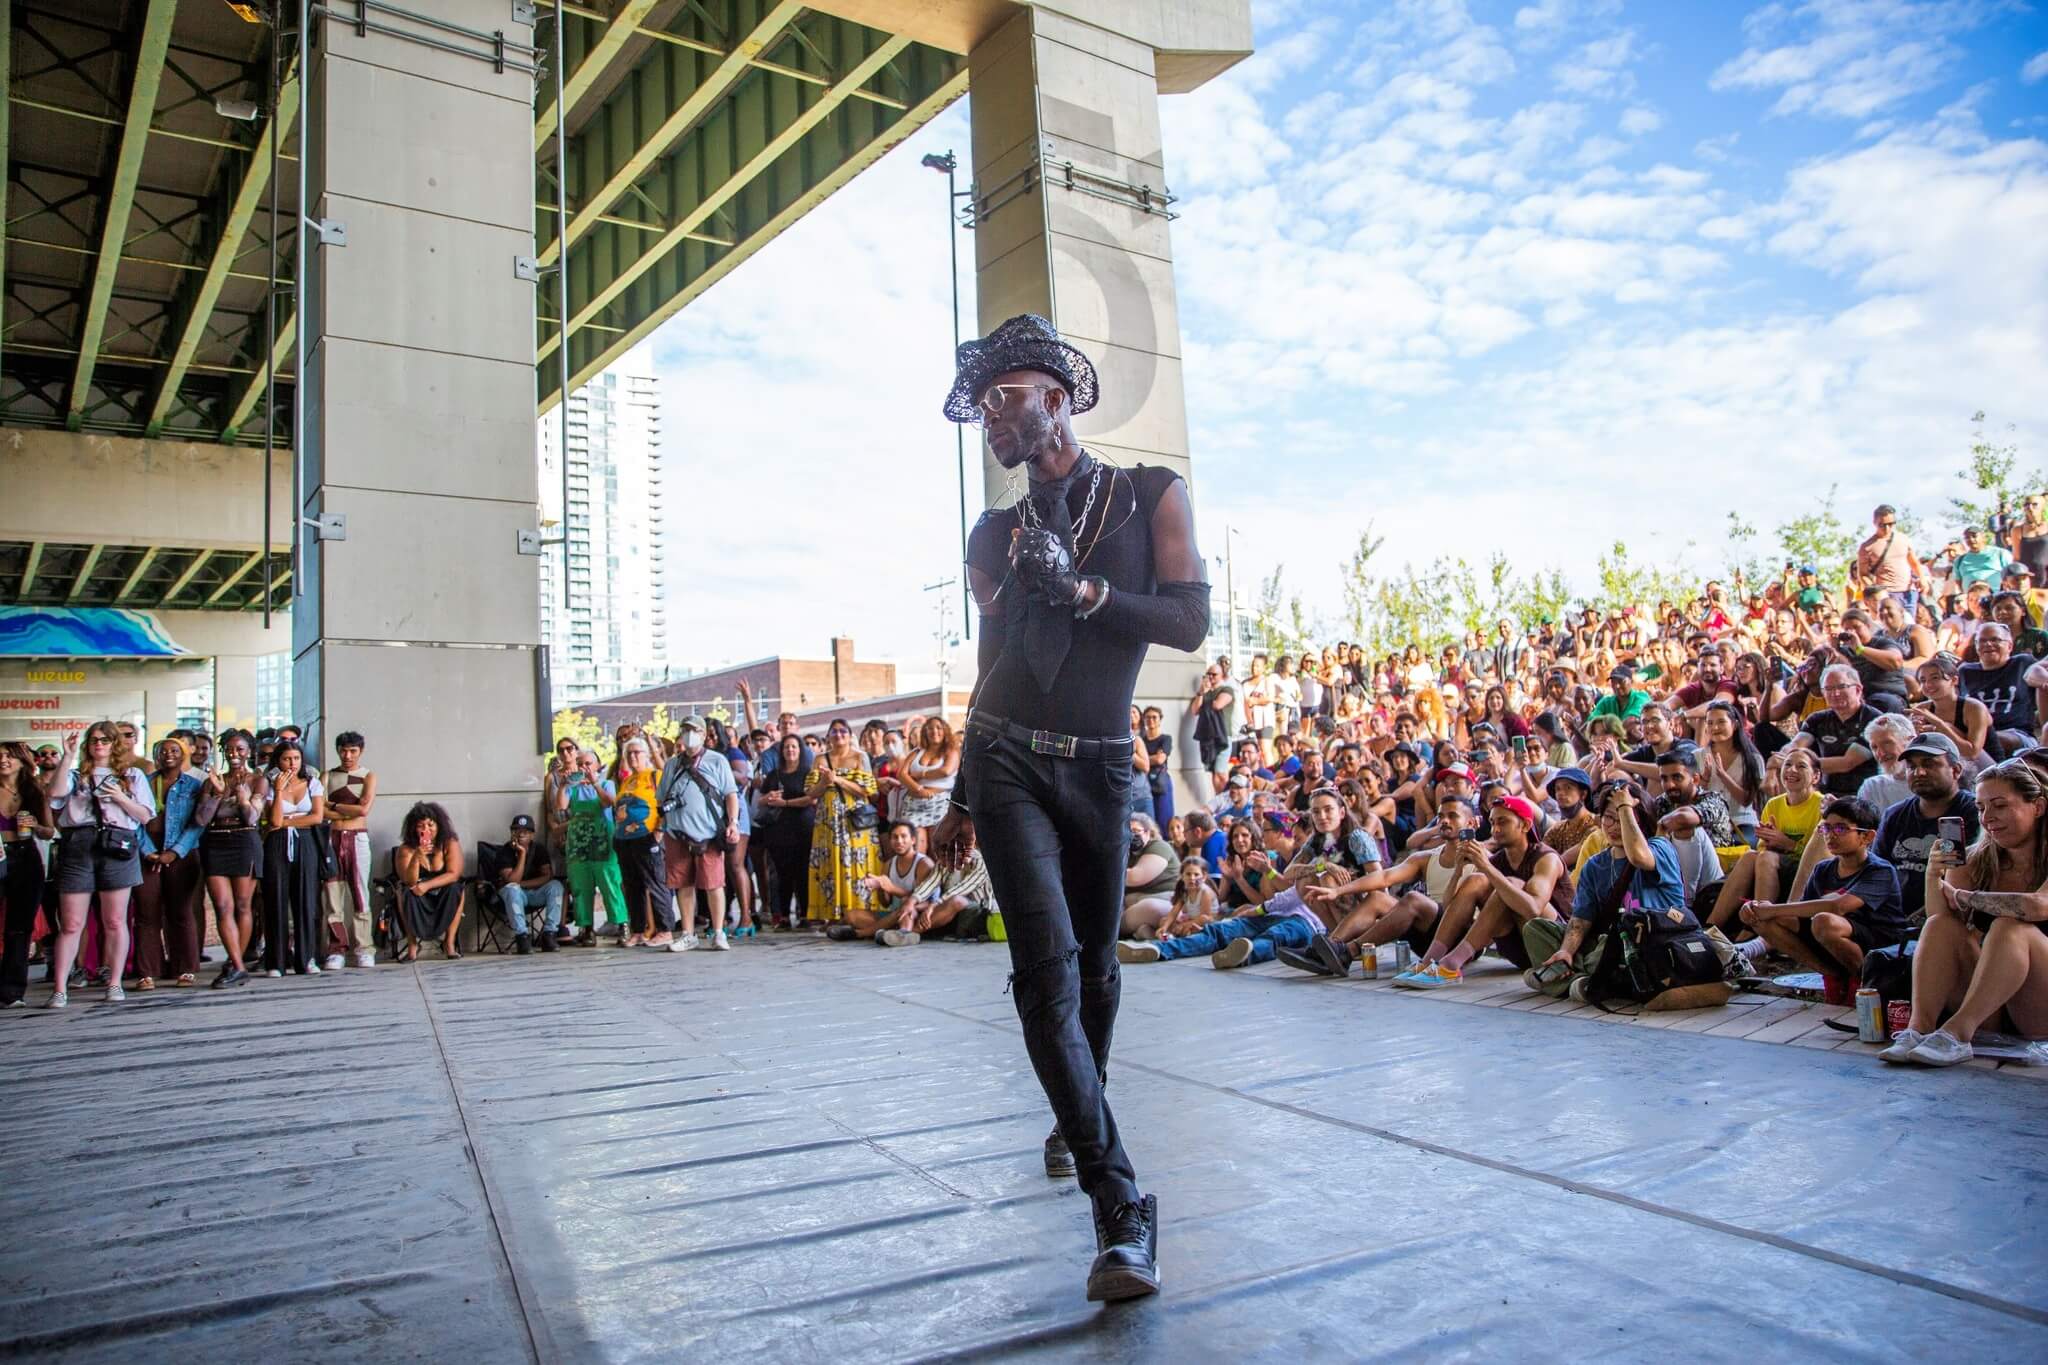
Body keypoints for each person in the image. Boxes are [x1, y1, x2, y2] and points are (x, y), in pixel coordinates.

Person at [934, 314, 1210, 1300]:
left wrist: (1088, 592)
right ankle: (1119, 1205)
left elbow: (1187, 621)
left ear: (1057, 394)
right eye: (984, 410)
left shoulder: (1148, 496)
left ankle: (1075, 1105)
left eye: (1007, 399)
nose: (993, 420)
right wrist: (962, 790)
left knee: (1095, 969)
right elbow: (988, 666)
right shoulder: (991, 533)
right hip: (1006, 757)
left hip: (1099, 766)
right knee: (1043, 974)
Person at [1883, 758, 2048, 1065]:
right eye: (1981, 808)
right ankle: (1919, 1030)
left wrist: (1968, 896)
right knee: (1939, 925)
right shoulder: (1974, 859)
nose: (1989, 818)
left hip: (2039, 1006)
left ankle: (1957, 1034)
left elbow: (2038, 906)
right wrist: (1934, 877)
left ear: (2037, 807)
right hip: (1990, 1005)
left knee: (2010, 927)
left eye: (1999, 805)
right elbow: (1944, 920)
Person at [1524, 780, 1692, 1000]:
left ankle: (1567, 980)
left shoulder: (1660, 847)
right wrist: (1566, 951)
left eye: (1621, 818)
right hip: (1606, 943)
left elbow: (1639, 857)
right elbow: (1580, 920)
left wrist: (1626, 807)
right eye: (1608, 818)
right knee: (1535, 929)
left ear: (1639, 821)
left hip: (1652, 943)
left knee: (1612, 946)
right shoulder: (1596, 865)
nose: (1614, 826)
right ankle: (1584, 980)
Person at [1738, 797, 1906, 982]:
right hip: (1832, 938)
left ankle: (1865, 981)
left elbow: (1838, 906)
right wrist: (1756, 910)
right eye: (1826, 828)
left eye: (1841, 828)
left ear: (1867, 836)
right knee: (1762, 919)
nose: (1830, 835)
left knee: (1823, 921)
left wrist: (1772, 909)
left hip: (1879, 945)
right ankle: (1832, 977)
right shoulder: (1823, 869)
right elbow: (1801, 914)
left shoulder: (1880, 870)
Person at [43, 724, 151, 1007]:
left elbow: (144, 816)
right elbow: (54, 795)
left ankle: (114, 983)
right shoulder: (75, 775)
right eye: (93, 740)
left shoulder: (132, 775)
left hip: (117, 843)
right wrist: (66, 757)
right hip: (78, 843)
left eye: (105, 740)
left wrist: (119, 797)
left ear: (115, 743)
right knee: (71, 923)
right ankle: (59, 988)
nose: (99, 744)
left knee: (115, 920)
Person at [1710, 748, 1823, 934]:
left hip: (1806, 872)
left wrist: (1787, 843)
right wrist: (1771, 842)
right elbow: (1763, 849)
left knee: (1766, 858)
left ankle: (1759, 925)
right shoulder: (1774, 804)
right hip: (1776, 865)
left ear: (1816, 776)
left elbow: (1822, 856)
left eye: (1801, 766)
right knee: (1750, 857)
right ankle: (1711, 925)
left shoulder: (1821, 805)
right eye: (1787, 765)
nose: (1792, 770)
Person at [654, 716, 740, 952]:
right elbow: (661, 798)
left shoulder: (717, 760)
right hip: (677, 833)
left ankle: (719, 931)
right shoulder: (672, 765)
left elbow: (730, 793)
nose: (689, 734)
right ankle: (688, 933)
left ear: (703, 734)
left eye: (694, 730)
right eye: (685, 730)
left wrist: (733, 822)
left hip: (708, 834)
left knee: (714, 884)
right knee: (683, 884)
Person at [1874, 732, 1978, 924]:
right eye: (1912, 766)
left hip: (1949, 918)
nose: (1919, 772)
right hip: (1891, 918)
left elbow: (1961, 882)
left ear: (1956, 770)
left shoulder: (1974, 812)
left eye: (1929, 764)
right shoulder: (1895, 815)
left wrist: (1913, 922)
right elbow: (1877, 873)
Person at [131, 736, 203, 990]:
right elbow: (134, 819)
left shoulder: (194, 785)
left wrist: (175, 851)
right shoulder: (144, 783)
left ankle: (185, 969)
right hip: (147, 853)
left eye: (174, 750)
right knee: (146, 913)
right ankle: (147, 972)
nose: (168, 754)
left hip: (182, 853)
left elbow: (198, 823)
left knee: (181, 911)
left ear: (184, 754)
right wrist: (148, 851)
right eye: (162, 751)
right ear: (155, 755)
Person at [197, 729, 266, 988]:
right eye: (229, 749)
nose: (234, 754)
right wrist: (216, 794)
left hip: (244, 840)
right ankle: (237, 965)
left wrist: (243, 798)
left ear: (249, 751)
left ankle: (235, 962)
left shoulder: (258, 780)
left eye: (240, 749)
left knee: (242, 905)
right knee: (222, 907)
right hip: (216, 840)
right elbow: (201, 819)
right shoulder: (213, 780)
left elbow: (252, 818)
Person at [259, 740, 326, 977]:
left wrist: (288, 822)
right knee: (276, 899)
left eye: (296, 758)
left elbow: (317, 817)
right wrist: (278, 791)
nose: (292, 764)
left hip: (306, 842)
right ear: (278, 760)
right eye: (287, 759)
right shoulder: (269, 784)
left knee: (305, 900)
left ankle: (307, 958)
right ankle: (276, 962)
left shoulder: (312, 783)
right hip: (276, 844)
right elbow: (274, 820)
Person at [807, 719, 883, 926]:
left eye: (843, 731)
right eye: (834, 731)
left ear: (850, 735)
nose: (838, 735)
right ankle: (832, 914)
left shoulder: (860, 757)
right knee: (830, 865)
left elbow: (869, 790)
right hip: (827, 821)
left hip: (854, 821)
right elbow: (811, 793)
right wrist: (824, 782)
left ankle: (857, 913)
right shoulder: (819, 759)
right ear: (828, 736)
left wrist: (838, 780)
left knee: (855, 865)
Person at [1, 742, 56, 1008]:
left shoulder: (33, 790)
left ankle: (12, 992)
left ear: (22, 761)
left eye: (9, 756)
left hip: (26, 857)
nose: (3, 760)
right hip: (1, 854)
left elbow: (49, 831)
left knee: (19, 927)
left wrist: (35, 824)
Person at [557, 749, 627, 944]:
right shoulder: (573, 787)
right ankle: (586, 928)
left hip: (603, 839)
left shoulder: (607, 783)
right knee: (580, 885)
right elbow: (561, 807)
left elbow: (608, 803)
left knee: (610, 882)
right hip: (579, 843)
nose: (584, 767)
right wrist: (563, 785)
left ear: (597, 765)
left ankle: (622, 923)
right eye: (580, 764)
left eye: (588, 763)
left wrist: (594, 783)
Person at [612, 736, 675, 948]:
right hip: (625, 839)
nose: (632, 756)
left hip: (647, 836)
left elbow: (667, 804)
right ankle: (638, 929)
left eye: (637, 752)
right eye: (629, 753)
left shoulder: (655, 776)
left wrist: (659, 831)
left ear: (647, 754)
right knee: (632, 886)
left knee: (655, 882)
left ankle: (665, 929)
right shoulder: (628, 780)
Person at [322, 730, 376, 970]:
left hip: (357, 837)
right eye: (344, 750)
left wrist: (333, 805)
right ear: (338, 751)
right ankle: (336, 949)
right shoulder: (328, 775)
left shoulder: (368, 776)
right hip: (332, 837)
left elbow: (364, 810)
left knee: (359, 893)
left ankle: (364, 948)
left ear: (360, 751)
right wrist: (347, 809)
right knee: (333, 895)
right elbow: (319, 809)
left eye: (353, 750)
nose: (348, 755)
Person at [755, 733, 814, 928]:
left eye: (794, 747)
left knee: (803, 873)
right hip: (778, 831)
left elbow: (812, 799)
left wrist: (785, 802)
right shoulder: (775, 774)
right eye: (787, 747)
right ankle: (783, 916)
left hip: (803, 829)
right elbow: (760, 800)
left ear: (800, 750)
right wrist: (770, 797)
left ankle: (805, 914)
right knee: (781, 874)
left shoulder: (808, 772)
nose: (790, 750)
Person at [1794, 665, 1881, 797]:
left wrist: (1798, 764)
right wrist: (1778, 764)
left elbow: (1847, 763)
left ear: (1858, 690)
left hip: (1864, 794)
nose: (1835, 694)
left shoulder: (1873, 719)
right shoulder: (1817, 719)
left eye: (1841, 687)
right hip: (1825, 794)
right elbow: (1795, 746)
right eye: (1828, 689)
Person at [394, 802, 464, 962]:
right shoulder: (406, 849)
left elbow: (454, 874)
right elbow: (408, 880)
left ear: (439, 825)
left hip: (440, 889)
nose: (426, 830)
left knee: (457, 888)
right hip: (416, 892)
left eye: (430, 825)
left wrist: (427, 885)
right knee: (404, 892)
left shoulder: (449, 843)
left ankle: (449, 943)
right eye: (421, 826)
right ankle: (412, 946)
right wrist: (416, 858)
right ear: (413, 828)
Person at [1959, 622, 2036, 756]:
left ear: (2010, 646)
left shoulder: (2022, 663)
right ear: (1976, 647)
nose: (1988, 644)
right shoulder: (1965, 671)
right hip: (1973, 735)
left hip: (2016, 734)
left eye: (1995, 639)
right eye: (1982, 641)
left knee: (1993, 739)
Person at [495, 814, 563, 954]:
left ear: (532, 835)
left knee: (556, 886)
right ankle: (522, 937)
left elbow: (547, 876)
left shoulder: (539, 849)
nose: (520, 835)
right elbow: (512, 880)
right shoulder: (505, 851)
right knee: (512, 889)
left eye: (524, 832)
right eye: (516, 831)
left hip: (533, 892)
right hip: (514, 895)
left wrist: (523, 884)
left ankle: (549, 934)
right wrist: (522, 854)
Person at [1910, 654, 1991, 765]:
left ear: (1954, 680)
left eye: (1935, 678)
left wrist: (1938, 725)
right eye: (1923, 680)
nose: (1928, 684)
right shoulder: (1922, 708)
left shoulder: (1974, 708)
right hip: (1948, 766)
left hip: (1988, 767)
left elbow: (1972, 754)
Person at [896, 717, 961, 851]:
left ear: (945, 731)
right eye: (930, 728)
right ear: (925, 732)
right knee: (915, 847)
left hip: (939, 803)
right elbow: (901, 774)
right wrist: (919, 789)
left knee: (936, 846)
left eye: (938, 727)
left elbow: (946, 771)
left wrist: (921, 774)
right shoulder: (916, 752)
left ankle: (937, 872)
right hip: (913, 804)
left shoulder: (951, 751)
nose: (934, 731)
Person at [1855, 504, 1928, 611]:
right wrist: (1875, 591)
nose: (1887, 528)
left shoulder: (1903, 539)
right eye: (1882, 525)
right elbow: (1862, 574)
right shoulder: (1867, 547)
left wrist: (1922, 578)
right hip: (1887, 593)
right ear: (1874, 522)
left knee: (1910, 624)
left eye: (1890, 524)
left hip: (1908, 592)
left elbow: (1914, 563)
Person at [1950, 525, 2012, 591]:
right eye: (1967, 538)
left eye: (1974, 536)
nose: (1971, 539)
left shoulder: (2000, 553)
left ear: (1983, 537)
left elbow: (2011, 575)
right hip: (1972, 599)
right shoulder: (1959, 560)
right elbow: (1958, 583)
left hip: (1997, 597)